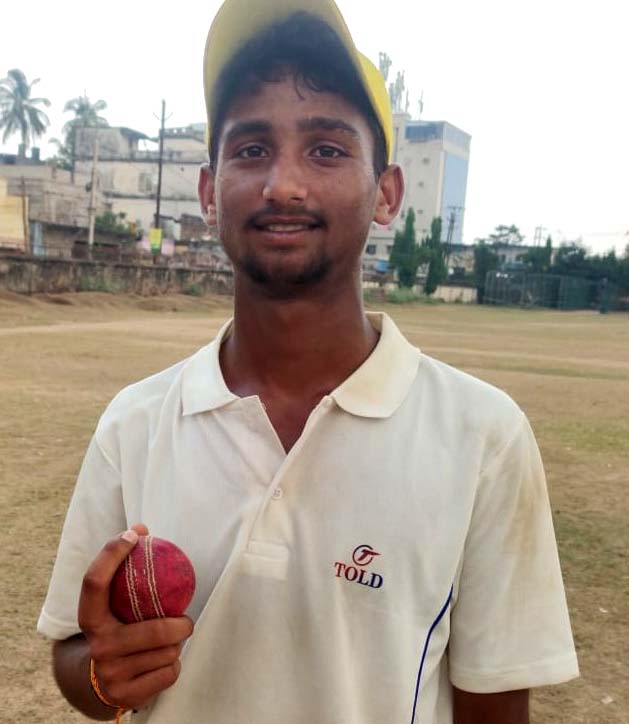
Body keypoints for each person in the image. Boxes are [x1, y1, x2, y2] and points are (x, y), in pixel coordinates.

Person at [38, 1, 579, 722]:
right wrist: (104, 675)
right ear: (209, 192)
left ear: (386, 192)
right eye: (251, 149)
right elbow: (75, 654)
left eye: (325, 149)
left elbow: (495, 703)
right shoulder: (135, 423)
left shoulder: (482, 436)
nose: (283, 185)